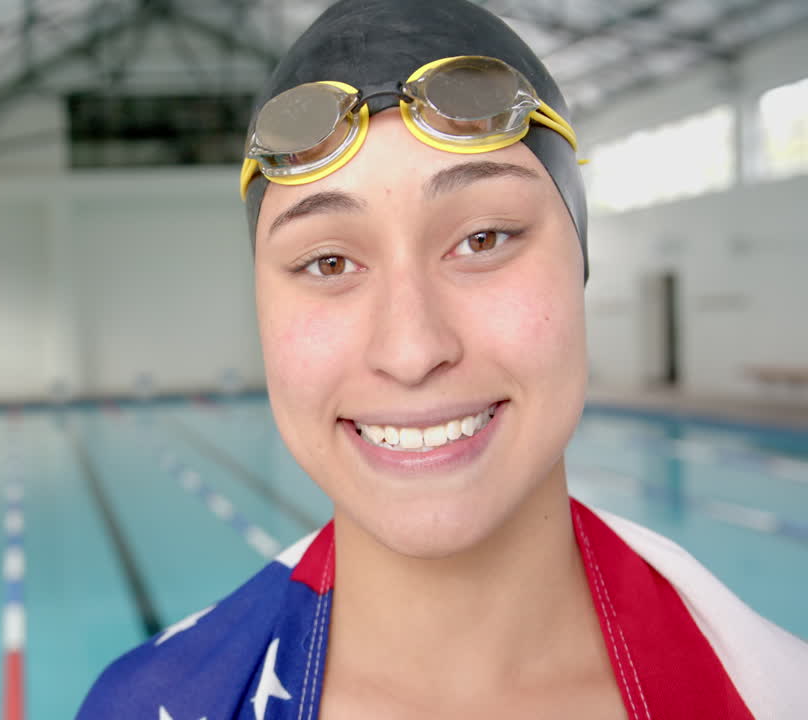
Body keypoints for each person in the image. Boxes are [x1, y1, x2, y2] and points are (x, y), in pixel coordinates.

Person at [78, 0, 808, 717]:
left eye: (484, 238)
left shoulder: (777, 693)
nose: (412, 349)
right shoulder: (153, 706)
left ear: (580, 260)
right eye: (329, 261)